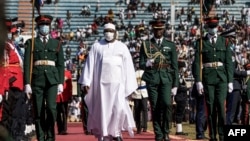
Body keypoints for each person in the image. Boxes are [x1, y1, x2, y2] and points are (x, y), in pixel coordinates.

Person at [78, 22, 137, 141]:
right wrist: (86, 82)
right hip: (101, 88)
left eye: (111, 31)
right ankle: (104, 136)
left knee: (119, 109)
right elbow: (89, 65)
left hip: (118, 86)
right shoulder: (97, 46)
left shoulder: (122, 47)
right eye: (106, 31)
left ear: (115, 33)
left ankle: (116, 133)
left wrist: (130, 87)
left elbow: (129, 67)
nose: (108, 33)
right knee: (103, 111)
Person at [23, 14, 65, 141]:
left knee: (52, 109)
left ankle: (50, 136)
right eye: (42, 25)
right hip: (37, 79)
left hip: (52, 80)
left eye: (46, 25)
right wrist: (27, 83)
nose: (44, 27)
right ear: (38, 27)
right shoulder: (31, 42)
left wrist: (60, 82)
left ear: (50, 26)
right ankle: (41, 137)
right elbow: (27, 64)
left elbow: (60, 64)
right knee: (39, 110)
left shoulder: (56, 43)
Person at [193, 16, 233, 141]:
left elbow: (229, 63)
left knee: (221, 107)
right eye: (211, 27)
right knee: (210, 108)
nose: (213, 29)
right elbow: (197, 63)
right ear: (207, 27)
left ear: (218, 27)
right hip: (208, 78)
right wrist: (198, 81)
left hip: (221, 78)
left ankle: (222, 134)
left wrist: (230, 81)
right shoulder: (201, 42)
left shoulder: (224, 41)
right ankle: (212, 135)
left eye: (214, 26)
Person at [139, 19, 179, 141]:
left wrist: (175, 84)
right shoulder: (146, 45)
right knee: (155, 106)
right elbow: (140, 63)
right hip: (152, 78)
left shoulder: (170, 45)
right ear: (153, 30)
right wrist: (146, 63)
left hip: (166, 78)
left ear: (164, 30)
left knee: (167, 104)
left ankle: (166, 131)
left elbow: (175, 66)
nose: (159, 32)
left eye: (161, 29)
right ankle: (159, 133)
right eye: (156, 30)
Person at [0, 17, 27, 141]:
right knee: (10, 113)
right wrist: (5, 84)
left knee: (17, 111)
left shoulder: (11, 44)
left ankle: (17, 134)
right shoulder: (5, 45)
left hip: (18, 82)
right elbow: (4, 65)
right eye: (12, 31)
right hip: (11, 82)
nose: (14, 33)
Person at [131, 67, 148, 134]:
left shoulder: (145, 72)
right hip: (136, 93)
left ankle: (145, 126)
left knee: (144, 109)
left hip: (144, 92)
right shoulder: (133, 73)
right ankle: (138, 127)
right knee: (137, 110)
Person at [56, 68, 73, 135]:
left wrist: (70, 95)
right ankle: (60, 129)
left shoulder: (67, 73)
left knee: (64, 113)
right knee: (57, 114)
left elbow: (70, 85)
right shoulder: (55, 71)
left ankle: (64, 129)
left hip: (64, 96)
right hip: (56, 96)